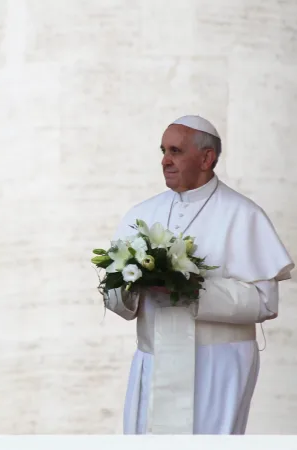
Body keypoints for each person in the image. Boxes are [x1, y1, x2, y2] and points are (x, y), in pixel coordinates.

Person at [106, 115, 294, 434]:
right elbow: (114, 297)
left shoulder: (243, 214)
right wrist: (133, 287)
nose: (165, 160)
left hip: (218, 363)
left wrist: (191, 290)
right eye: (163, 150)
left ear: (207, 158)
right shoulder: (141, 214)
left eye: (176, 151)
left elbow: (265, 303)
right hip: (153, 359)